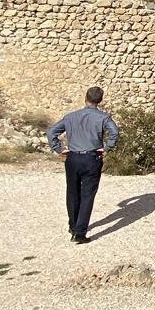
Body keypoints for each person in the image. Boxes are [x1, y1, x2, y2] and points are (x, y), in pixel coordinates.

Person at [46, 86, 119, 244]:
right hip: (92, 158)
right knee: (87, 195)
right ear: (100, 100)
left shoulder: (70, 117)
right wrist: (107, 148)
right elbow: (114, 132)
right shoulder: (104, 118)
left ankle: (73, 226)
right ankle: (80, 233)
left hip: (72, 158)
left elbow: (51, 132)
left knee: (72, 192)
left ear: (85, 98)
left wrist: (59, 149)